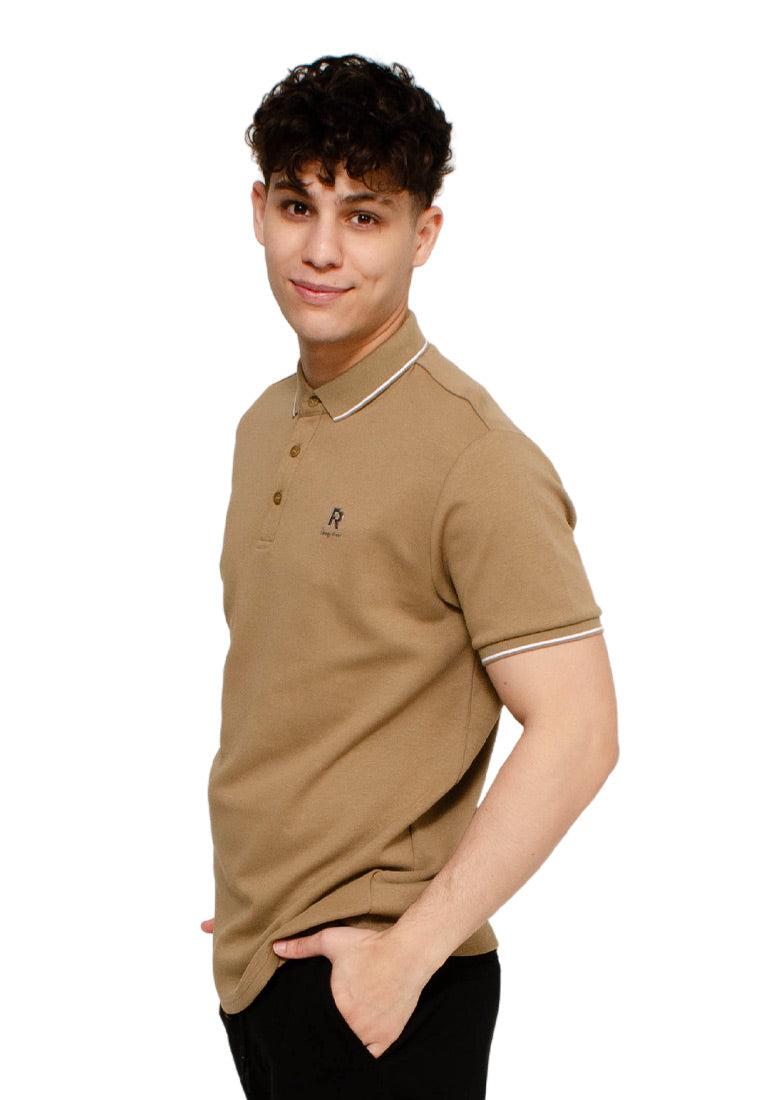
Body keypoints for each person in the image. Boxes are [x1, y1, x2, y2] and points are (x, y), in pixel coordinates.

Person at [202, 54, 618, 1099]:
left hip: (388, 983)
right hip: (265, 963)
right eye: (298, 206)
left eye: (365, 216)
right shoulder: (264, 424)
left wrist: (405, 956)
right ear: (258, 211)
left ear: (423, 234)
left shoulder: (475, 457)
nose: (322, 249)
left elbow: (580, 730)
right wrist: (265, 886)